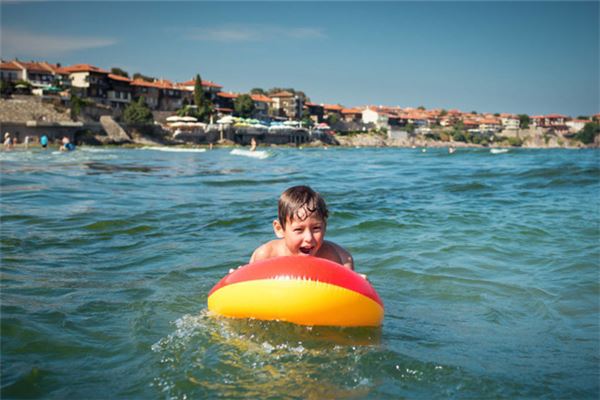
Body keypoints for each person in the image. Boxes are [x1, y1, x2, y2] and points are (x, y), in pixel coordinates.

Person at [250, 185, 354, 270]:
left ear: (325, 227)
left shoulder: (335, 258)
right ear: (279, 229)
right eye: (299, 230)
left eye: (316, 228)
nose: (309, 238)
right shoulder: (266, 256)